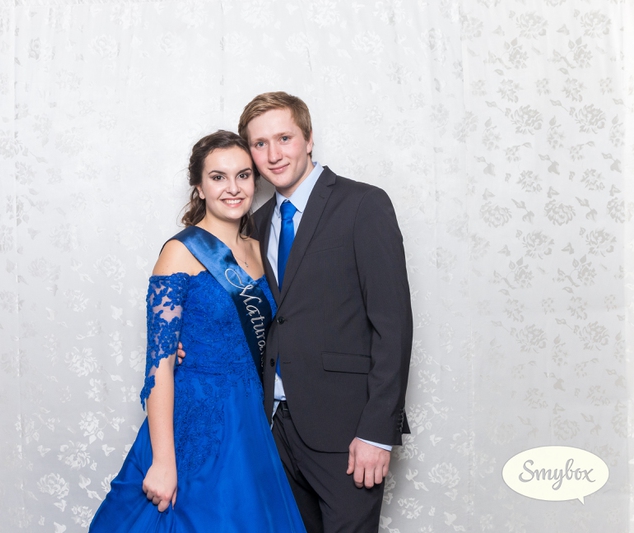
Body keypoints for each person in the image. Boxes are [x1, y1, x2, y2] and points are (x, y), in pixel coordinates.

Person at [88, 130, 305, 532]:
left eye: (243, 175)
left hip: (250, 420)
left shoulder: (260, 248)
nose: (233, 188)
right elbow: (159, 365)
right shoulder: (179, 252)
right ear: (200, 187)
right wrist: (163, 460)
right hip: (196, 420)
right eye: (218, 177)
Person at [238, 92, 413, 533]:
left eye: (284, 138)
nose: (274, 154)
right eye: (260, 144)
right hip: (274, 429)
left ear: (309, 138)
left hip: (347, 431)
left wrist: (377, 432)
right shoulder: (255, 224)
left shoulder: (363, 205)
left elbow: (393, 327)